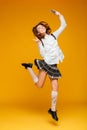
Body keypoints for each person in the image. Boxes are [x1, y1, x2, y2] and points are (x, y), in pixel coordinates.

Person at [21, 9, 67, 121]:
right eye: (38, 29)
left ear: (45, 28)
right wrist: (38, 44)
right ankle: (29, 68)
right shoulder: (40, 41)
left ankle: (53, 110)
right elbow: (42, 54)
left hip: (54, 65)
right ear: (38, 32)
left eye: (41, 27)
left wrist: (59, 15)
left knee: (55, 87)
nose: (40, 29)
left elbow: (63, 25)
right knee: (39, 85)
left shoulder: (54, 36)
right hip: (46, 64)